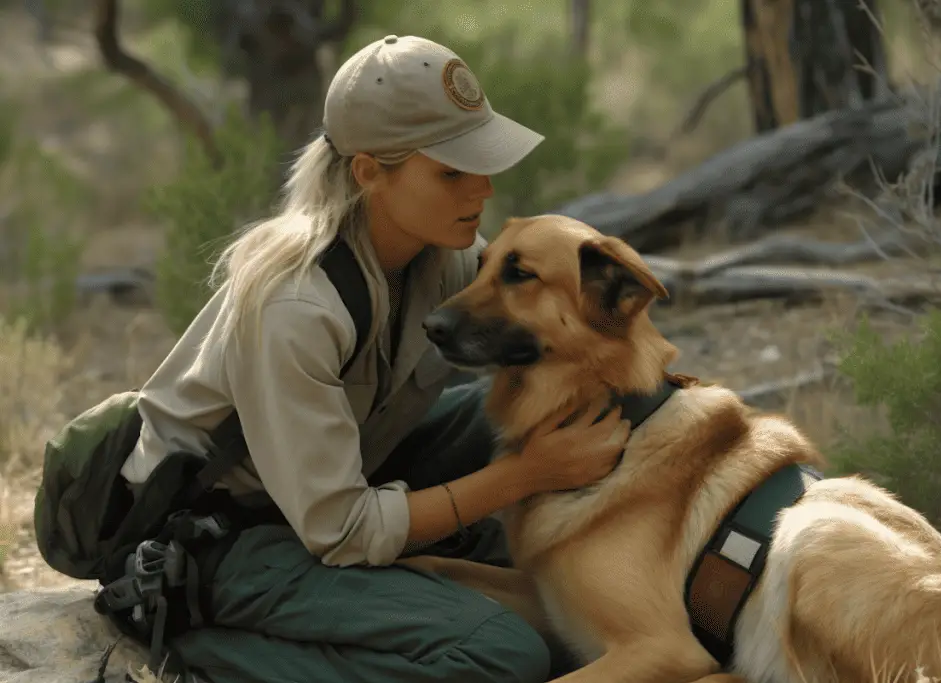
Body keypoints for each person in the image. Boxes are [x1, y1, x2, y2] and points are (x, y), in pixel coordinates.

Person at [117, 34, 631, 683]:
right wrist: (524, 476)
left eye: (481, 160)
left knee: (515, 412)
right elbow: (340, 528)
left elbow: (558, 321)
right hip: (224, 543)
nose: (483, 187)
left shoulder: (435, 255)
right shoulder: (294, 308)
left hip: (335, 486)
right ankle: (205, 656)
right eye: (452, 170)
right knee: (506, 654)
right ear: (369, 172)